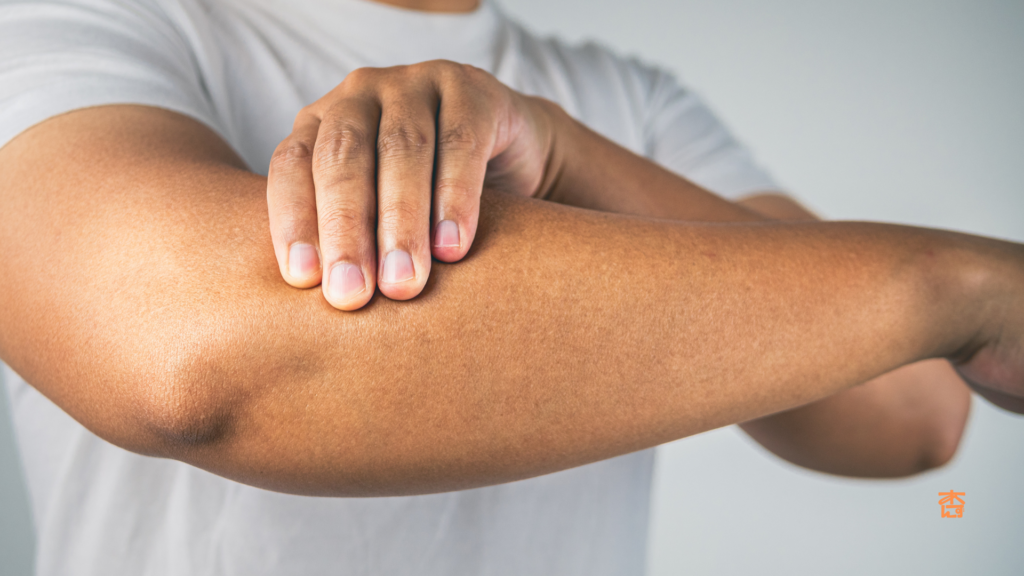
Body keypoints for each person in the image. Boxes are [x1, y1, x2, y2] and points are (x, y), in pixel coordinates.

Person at [0, 0, 1021, 574]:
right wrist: (960, 283)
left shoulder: (633, 99)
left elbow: (911, 415)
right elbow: (191, 360)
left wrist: (569, 155)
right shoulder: (75, 23)